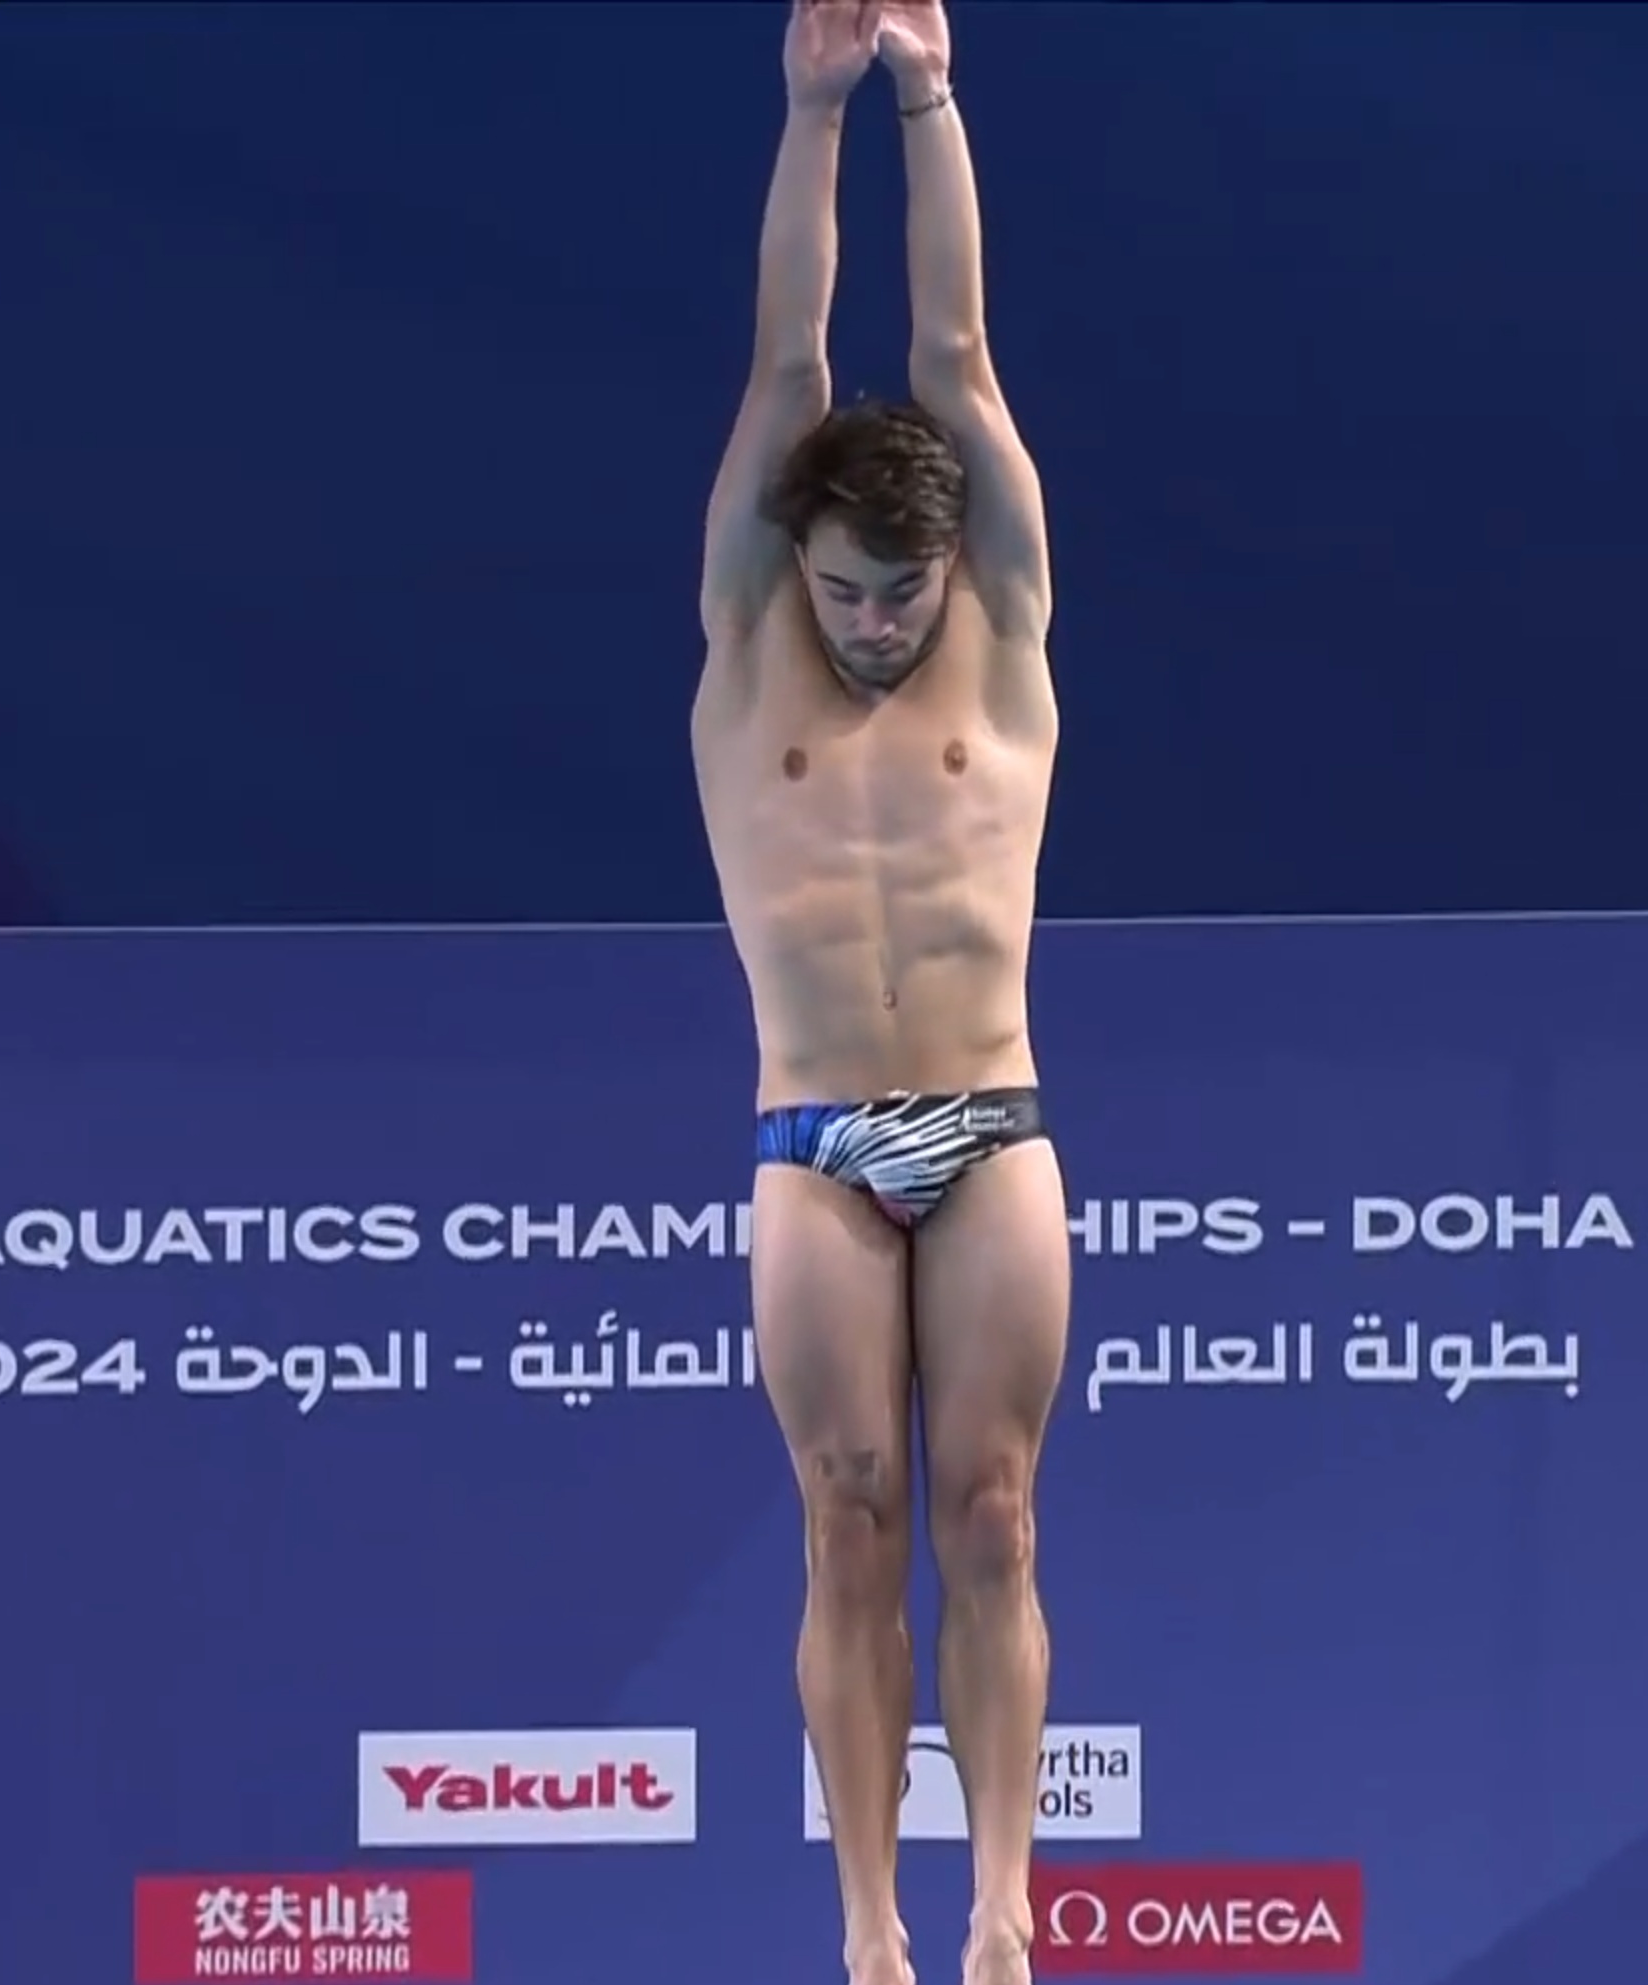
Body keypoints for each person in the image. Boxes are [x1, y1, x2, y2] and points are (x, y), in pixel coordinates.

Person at [692, 3, 1065, 1983]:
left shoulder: (999, 632)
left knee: (990, 1516)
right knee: (849, 1515)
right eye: (843, 589)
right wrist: (811, 114)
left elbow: (955, 357)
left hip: (990, 1127)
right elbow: (792, 360)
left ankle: (1004, 1912)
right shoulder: (750, 634)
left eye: (896, 593)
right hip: (815, 1137)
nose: (868, 623)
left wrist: (930, 97)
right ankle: (869, 1936)